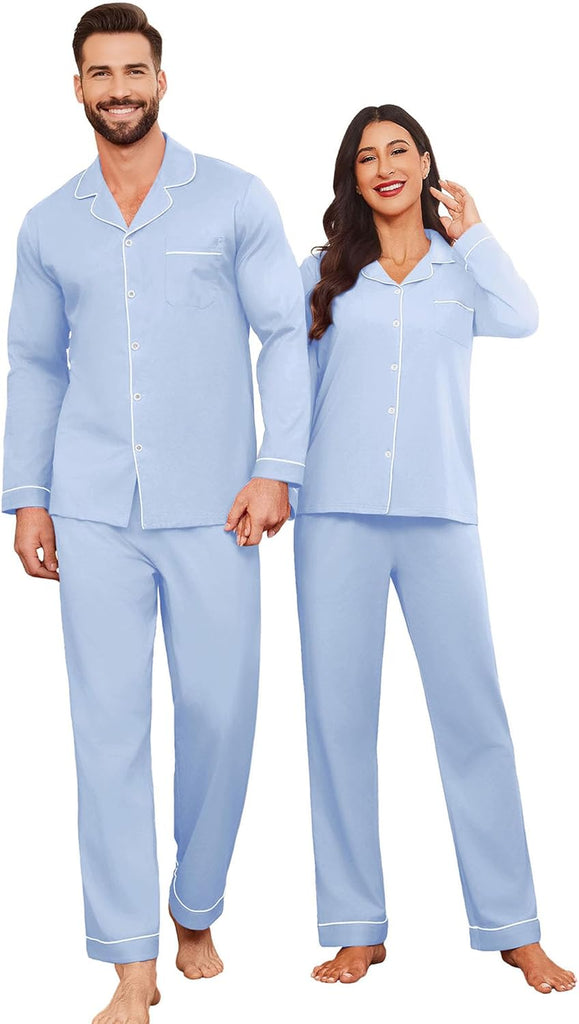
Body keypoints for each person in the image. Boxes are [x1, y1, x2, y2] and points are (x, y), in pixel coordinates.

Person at [1, 4, 310, 1022]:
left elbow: (284, 334)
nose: (119, 88)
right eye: (101, 73)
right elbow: (34, 363)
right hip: (91, 506)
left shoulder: (233, 197)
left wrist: (277, 466)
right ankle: (131, 962)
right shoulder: (47, 223)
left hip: (218, 505)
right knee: (107, 730)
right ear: (78, 88)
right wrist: (28, 495)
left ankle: (195, 905)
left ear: (161, 81)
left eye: (134, 70)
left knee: (219, 714)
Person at [292, 103, 575, 994]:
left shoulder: (463, 272)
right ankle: (354, 928)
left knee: (473, 718)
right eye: (366, 156)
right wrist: (276, 484)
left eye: (398, 151)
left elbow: (524, 317)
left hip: (441, 514)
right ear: (351, 175)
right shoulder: (323, 274)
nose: (383, 167)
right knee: (338, 723)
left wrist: (476, 231)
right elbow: (292, 391)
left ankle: (512, 928)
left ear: (424, 163)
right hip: (334, 516)